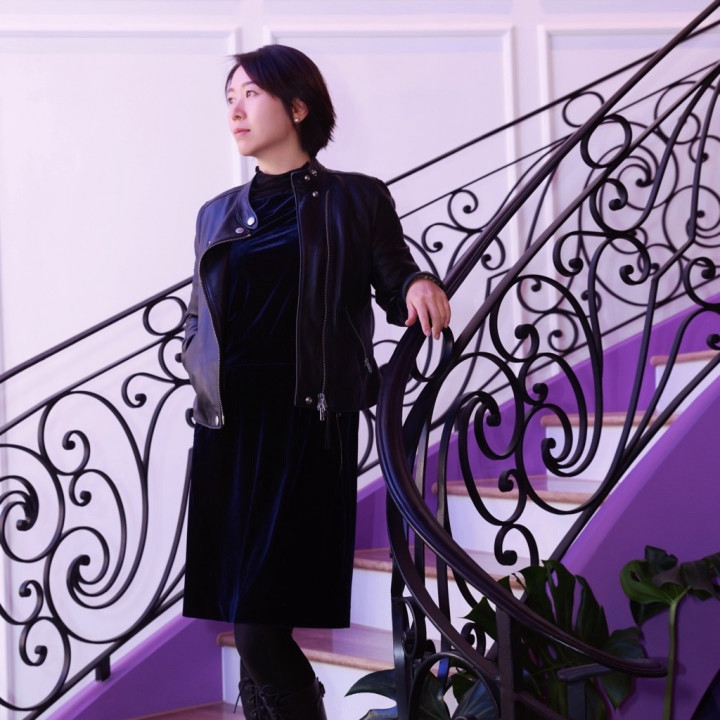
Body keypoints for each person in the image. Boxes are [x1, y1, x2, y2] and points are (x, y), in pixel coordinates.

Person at [181, 44, 450, 720]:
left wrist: (418, 282)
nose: (235, 110)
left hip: (306, 426)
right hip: (228, 432)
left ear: (297, 106)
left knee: (258, 627)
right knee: (245, 617)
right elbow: (199, 316)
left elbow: (393, 276)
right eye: (230, 98)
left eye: (251, 94)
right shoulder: (216, 212)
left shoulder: (356, 198)